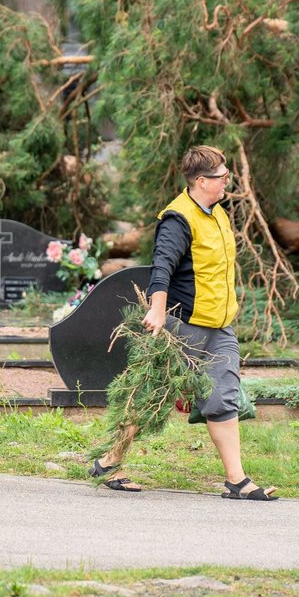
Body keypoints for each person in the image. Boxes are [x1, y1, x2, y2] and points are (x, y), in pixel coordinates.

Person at [88, 145, 278, 501]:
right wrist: (158, 309)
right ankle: (108, 462)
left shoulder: (217, 212)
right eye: (222, 176)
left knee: (224, 394)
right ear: (203, 182)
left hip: (218, 326)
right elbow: (162, 267)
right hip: (182, 325)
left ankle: (236, 480)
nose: (227, 181)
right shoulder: (178, 218)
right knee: (153, 397)